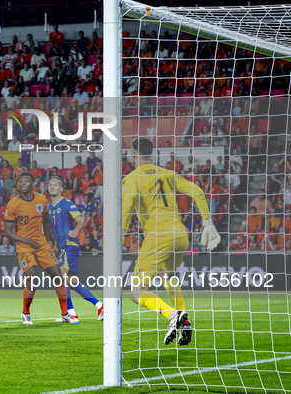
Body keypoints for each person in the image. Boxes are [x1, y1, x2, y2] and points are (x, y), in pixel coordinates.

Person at [122, 137, 221, 347]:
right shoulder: (168, 173)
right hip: (180, 237)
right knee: (168, 276)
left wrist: (119, 234)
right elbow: (198, 192)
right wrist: (208, 224)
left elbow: (127, 208)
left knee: (136, 292)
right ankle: (185, 323)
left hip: (157, 238)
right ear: (151, 153)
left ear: (132, 154)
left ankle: (172, 315)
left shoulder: (132, 178)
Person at [3, 172, 77, 325]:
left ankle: (65, 314)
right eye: (21, 181)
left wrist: (49, 240)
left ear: (33, 184)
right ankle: (25, 313)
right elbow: (7, 232)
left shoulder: (42, 199)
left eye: (26, 181)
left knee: (58, 277)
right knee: (33, 281)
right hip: (24, 246)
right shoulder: (13, 203)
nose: (23, 183)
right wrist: (26, 241)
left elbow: (46, 222)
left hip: (41, 244)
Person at [47, 175, 104, 320]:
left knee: (60, 277)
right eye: (50, 184)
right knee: (72, 281)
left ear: (61, 188)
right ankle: (100, 306)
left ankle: (70, 313)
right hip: (61, 246)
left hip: (70, 244)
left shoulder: (67, 203)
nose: (52, 186)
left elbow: (81, 221)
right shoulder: (48, 207)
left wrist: (76, 230)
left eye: (55, 184)